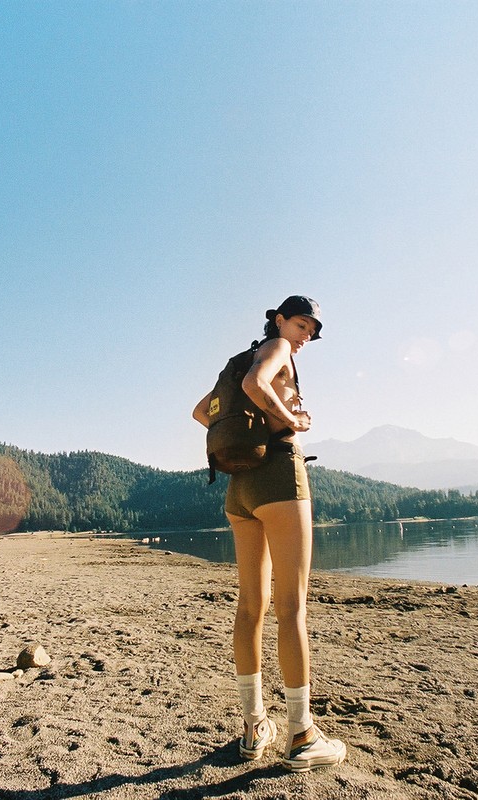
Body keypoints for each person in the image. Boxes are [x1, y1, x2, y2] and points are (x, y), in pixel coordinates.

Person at [192, 295, 347, 772]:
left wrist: (250, 419)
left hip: (240, 488)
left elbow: (201, 412)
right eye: (302, 325)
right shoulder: (274, 347)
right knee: (292, 607)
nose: (305, 337)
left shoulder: (238, 357)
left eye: (311, 331)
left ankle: (254, 725)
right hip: (279, 475)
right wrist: (289, 418)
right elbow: (255, 383)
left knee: (250, 607)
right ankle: (302, 735)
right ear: (279, 321)